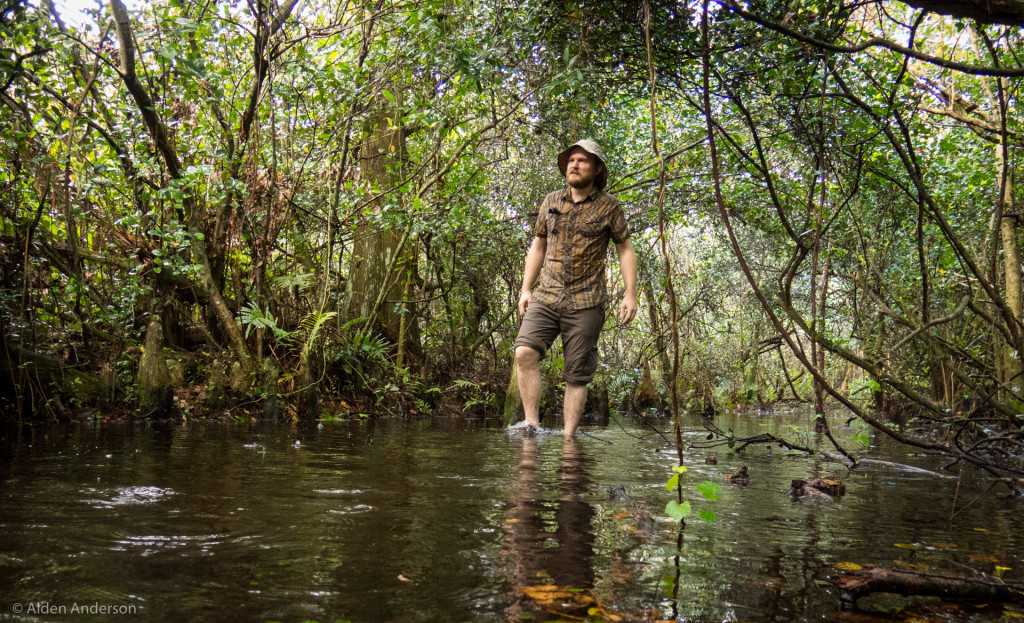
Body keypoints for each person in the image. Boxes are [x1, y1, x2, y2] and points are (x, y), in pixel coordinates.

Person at [513, 139, 638, 437]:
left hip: (587, 301)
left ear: (596, 169)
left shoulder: (610, 207)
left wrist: (629, 294)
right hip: (547, 295)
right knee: (523, 352)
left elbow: (625, 249)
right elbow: (539, 244)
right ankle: (532, 426)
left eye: (582, 160)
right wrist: (525, 288)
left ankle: (569, 438)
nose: (574, 164)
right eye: (571, 160)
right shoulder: (551, 201)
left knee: (577, 374)